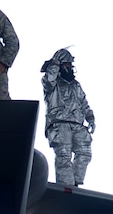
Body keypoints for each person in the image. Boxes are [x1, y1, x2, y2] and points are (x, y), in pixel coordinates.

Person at [39, 49, 94, 190]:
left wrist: (90, 117)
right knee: (63, 155)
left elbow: (83, 102)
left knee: (85, 152)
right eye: (66, 64)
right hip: (59, 124)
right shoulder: (51, 83)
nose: (69, 67)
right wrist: (54, 64)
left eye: (70, 64)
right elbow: (49, 81)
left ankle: (75, 183)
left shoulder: (76, 85)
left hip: (77, 124)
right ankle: (66, 186)